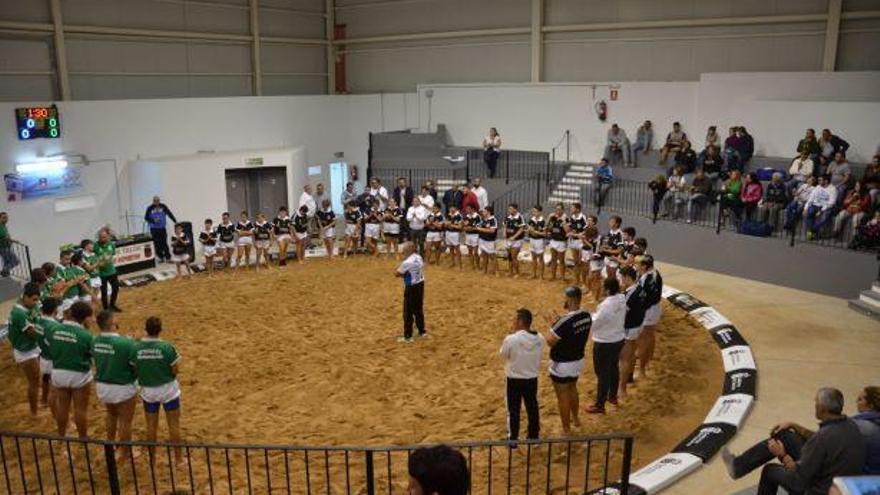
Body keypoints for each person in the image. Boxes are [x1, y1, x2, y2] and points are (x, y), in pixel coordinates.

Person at [721, 387, 866, 495]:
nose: (814, 405)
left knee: (770, 471)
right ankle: (737, 466)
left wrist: (782, 455)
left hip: (817, 490)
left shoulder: (821, 439)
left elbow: (798, 478)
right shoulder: (850, 425)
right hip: (837, 481)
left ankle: (738, 467)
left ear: (822, 408)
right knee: (785, 435)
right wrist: (794, 426)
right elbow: (820, 438)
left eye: (816, 403)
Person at [133, 316, 183, 466]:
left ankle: (152, 459)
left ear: (145, 330)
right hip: (168, 389)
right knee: (173, 425)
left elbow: (135, 368)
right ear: (160, 330)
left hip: (148, 390)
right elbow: (175, 371)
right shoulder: (167, 347)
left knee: (151, 426)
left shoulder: (137, 348)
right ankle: (179, 460)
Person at [543, 285, 591, 435]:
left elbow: (550, 341)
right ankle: (576, 419)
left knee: (562, 396)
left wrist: (551, 324)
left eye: (565, 298)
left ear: (570, 299)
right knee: (572, 388)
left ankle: (566, 429)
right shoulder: (586, 316)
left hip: (562, 363)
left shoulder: (563, 322)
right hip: (577, 360)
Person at [91, 309, 138, 461]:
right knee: (125, 421)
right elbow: (134, 365)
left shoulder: (95, 341)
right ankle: (124, 452)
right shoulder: (126, 343)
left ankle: (110, 445)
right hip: (122, 387)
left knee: (111, 415)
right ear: (112, 323)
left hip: (103, 386)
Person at [50, 301, 94, 438]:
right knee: (80, 409)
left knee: (62, 407)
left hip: (58, 373)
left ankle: (61, 437)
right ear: (85, 318)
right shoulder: (86, 335)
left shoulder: (54, 329)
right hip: (78, 375)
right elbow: (91, 355)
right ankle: (83, 439)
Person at [500, 308, 544, 441]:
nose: (513, 322)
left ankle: (513, 438)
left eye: (515, 319)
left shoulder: (511, 339)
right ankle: (533, 436)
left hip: (514, 379)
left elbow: (503, 354)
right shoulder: (540, 338)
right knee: (532, 407)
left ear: (520, 322)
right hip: (531, 378)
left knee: (513, 410)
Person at [587, 278, 626, 414]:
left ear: (608, 289)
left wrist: (590, 316)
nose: (602, 288)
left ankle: (600, 404)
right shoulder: (622, 298)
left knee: (602, 373)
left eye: (603, 287)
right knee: (613, 367)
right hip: (618, 338)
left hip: (605, 341)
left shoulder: (606, 305)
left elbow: (596, 322)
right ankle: (613, 396)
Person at [8, 282, 42, 416]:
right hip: (25, 351)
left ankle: (40, 402)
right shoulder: (19, 313)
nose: (36, 302)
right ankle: (34, 412)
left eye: (37, 299)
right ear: (25, 297)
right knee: (34, 381)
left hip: (33, 346)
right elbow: (32, 333)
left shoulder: (25, 305)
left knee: (38, 377)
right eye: (34, 299)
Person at [617, 266, 646, 399]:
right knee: (631, 354)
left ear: (628, 278)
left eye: (622, 278)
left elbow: (622, 312)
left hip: (629, 328)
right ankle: (629, 378)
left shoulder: (629, 294)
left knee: (624, 359)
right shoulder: (640, 289)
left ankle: (622, 389)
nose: (621, 280)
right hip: (637, 325)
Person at [636, 255, 662, 379]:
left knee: (643, 339)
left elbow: (649, 298)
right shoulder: (655, 273)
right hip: (654, 309)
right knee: (650, 336)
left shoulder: (648, 278)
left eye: (639, 264)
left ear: (645, 266)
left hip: (649, 310)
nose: (637, 266)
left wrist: (641, 308)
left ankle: (642, 369)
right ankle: (648, 362)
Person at [395, 242, 426, 343]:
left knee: (408, 312)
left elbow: (397, 273)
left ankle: (408, 336)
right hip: (420, 284)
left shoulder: (407, 262)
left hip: (411, 287)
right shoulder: (418, 257)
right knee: (418, 309)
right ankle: (422, 331)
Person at [35, 297, 61, 414]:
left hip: (43, 357)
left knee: (45, 379)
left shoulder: (39, 322)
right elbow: (56, 347)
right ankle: (55, 415)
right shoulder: (54, 327)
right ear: (55, 310)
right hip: (53, 361)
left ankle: (43, 400)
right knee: (55, 391)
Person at [804, 174, 838, 240]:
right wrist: (805, 208)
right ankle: (811, 233)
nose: (818, 181)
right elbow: (811, 198)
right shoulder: (818, 187)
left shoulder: (833, 189)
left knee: (823, 218)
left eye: (820, 180)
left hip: (826, 207)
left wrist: (821, 210)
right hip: (815, 205)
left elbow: (831, 203)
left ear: (826, 181)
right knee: (809, 213)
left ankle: (811, 231)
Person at [144, 196, 177, 263]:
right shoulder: (149, 208)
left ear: (159, 201)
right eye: (155, 201)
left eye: (158, 201)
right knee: (157, 244)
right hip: (154, 229)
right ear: (153, 201)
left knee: (164, 243)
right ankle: (161, 257)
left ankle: (168, 258)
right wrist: (153, 220)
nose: (157, 202)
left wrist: (175, 221)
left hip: (162, 228)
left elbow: (169, 213)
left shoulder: (163, 206)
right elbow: (146, 218)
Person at [95, 228, 121, 312]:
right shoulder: (95, 246)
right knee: (104, 292)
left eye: (105, 237)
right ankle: (106, 308)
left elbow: (112, 254)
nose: (103, 239)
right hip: (101, 273)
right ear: (98, 237)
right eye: (101, 237)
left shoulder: (111, 244)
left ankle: (112, 305)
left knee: (116, 288)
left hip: (112, 271)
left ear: (108, 237)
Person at [546, 203, 568, 281]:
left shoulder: (565, 218)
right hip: (553, 240)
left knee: (561, 260)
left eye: (559, 209)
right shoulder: (553, 218)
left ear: (562, 210)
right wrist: (549, 218)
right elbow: (548, 227)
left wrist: (563, 220)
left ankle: (562, 277)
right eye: (556, 209)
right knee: (553, 259)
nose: (557, 211)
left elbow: (567, 231)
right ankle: (553, 276)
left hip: (561, 241)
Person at [476, 206, 499, 276]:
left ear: (488, 212)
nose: (483, 212)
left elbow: (492, 231)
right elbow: (478, 226)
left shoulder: (493, 219)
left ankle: (497, 271)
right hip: (482, 239)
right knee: (484, 256)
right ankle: (484, 270)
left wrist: (481, 229)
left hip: (490, 241)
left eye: (484, 211)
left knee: (492, 256)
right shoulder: (483, 220)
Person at [527, 206, 547, 280]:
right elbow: (529, 230)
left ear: (539, 212)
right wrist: (529, 230)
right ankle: (533, 274)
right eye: (533, 211)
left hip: (540, 241)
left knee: (540, 258)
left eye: (535, 211)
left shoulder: (543, 221)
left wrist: (535, 232)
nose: (533, 213)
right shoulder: (531, 220)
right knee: (533, 257)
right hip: (532, 240)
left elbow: (545, 234)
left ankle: (541, 276)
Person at [0, 212, 20, 277]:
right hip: (3, 248)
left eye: (7, 217)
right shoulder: (0, 227)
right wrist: (15, 241)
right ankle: (4, 271)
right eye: (4, 218)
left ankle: (5, 275)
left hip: (6, 247)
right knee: (16, 261)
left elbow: (7, 236)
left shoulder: (3, 226)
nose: (6, 219)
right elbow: (5, 237)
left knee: (7, 262)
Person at [462, 204, 481, 270]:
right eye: (466, 209)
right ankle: (472, 265)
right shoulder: (466, 216)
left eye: (468, 209)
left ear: (473, 209)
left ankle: (478, 266)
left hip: (475, 235)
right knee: (470, 251)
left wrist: (470, 228)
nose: (467, 210)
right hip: (468, 235)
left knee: (475, 252)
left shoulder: (477, 216)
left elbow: (478, 227)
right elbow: (464, 226)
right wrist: (468, 228)